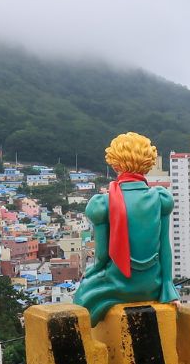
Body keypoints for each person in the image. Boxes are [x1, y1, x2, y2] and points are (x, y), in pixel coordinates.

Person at [74, 132, 178, 326]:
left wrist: (93, 271)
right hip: (152, 285)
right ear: (148, 163)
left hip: (120, 283)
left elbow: (103, 256)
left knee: (80, 303)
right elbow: (165, 247)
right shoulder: (161, 198)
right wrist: (167, 285)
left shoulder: (103, 203)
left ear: (115, 164)